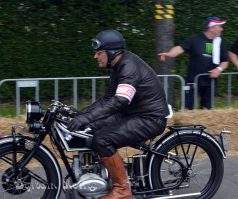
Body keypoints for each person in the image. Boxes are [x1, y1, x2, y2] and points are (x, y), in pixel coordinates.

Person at [68, 29, 169, 199]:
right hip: (132, 114)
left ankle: (122, 189)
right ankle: (100, 175)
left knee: (102, 139)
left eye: (99, 52)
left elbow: (119, 101)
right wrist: (80, 115)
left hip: (149, 118)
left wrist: (85, 117)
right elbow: (107, 99)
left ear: (112, 52)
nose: (95, 56)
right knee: (88, 128)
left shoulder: (128, 67)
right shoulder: (117, 66)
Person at [158, 17, 229, 109]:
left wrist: (218, 69)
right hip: (193, 81)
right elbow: (180, 48)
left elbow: (225, 61)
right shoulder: (195, 39)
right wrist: (170, 54)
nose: (221, 29)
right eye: (219, 26)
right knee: (187, 109)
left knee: (207, 110)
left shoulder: (220, 42)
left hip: (210, 82)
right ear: (211, 28)